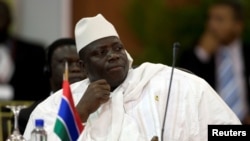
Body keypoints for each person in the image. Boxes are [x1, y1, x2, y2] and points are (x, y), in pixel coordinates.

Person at [24, 14, 240, 141]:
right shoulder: (55, 106)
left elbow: (232, 132)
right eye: (101, 52)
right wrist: (80, 112)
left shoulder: (173, 83)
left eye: (117, 48)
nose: (113, 56)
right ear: (83, 66)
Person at [178, 0, 250, 124]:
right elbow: (183, 88)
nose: (212, 25)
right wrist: (202, 54)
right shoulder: (194, 54)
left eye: (219, 19)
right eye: (210, 19)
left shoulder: (247, 53)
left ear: (238, 25)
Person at [18, 38, 86, 135]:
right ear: (48, 69)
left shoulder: (102, 107)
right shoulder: (28, 115)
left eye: (80, 63)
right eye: (66, 62)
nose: (75, 68)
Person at [0, 0, 49, 101]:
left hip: (23, 112)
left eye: (1, 16)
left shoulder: (35, 52)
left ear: (10, 20)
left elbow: (41, 89)